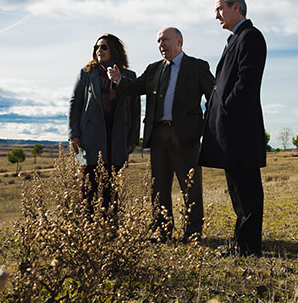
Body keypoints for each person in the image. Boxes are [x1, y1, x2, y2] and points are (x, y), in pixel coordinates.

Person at [108, 27, 214, 242]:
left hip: (186, 136)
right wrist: (119, 80)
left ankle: (193, 234)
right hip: (159, 135)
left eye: (165, 39)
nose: (161, 45)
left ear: (179, 41)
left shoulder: (197, 66)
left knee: (190, 187)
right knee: (158, 187)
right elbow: (135, 87)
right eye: (158, 41)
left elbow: (213, 97)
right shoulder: (154, 68)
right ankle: (161, 232)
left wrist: (202, 127)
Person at [199, 0, 267, 256]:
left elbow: (246, 82)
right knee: (237, 191)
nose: (216, 15)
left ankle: (248, 247)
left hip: (240, 127)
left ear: (236, 7)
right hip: (230, 127)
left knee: (247, 190)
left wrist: (226, 107)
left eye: (219, 9)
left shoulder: (251, 37)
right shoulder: (235, 39)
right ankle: (242, 243)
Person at [68, 33, 141, 212]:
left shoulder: (129, 75)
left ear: (114, 50)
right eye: (96, 47)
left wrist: (133, 138)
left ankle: (111, 227)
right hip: (91, 135)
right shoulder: (86, 73)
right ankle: (88, 226)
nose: (98, 50)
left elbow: (135, 109)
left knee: (112, 186)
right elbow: (75, 103)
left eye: (104, 47)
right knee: (89, 185)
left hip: (117, 135)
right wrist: (74, 134)